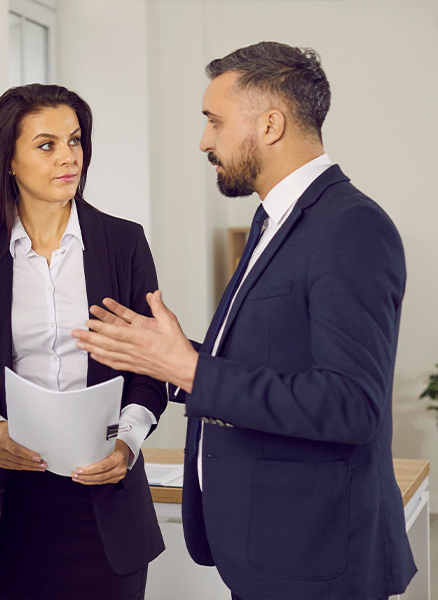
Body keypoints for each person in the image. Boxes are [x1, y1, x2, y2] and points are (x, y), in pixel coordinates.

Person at [73, 41, 416, 600]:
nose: (204, 141)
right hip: (271, 554)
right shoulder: (273, 220)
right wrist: (164, 352)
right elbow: (274, 357)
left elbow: (352, 404)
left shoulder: (350, 228)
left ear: (271, 125)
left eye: (214, 122)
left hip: (318, 562)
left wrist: (190, 371)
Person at [0, 84, 167, 600]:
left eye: (75, 141)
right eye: (46, 145)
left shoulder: (123, 243)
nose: (69, 157)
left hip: (105, 502)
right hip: (6, 507)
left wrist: (127, 443)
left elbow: (153, 368)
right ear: (9, 161)